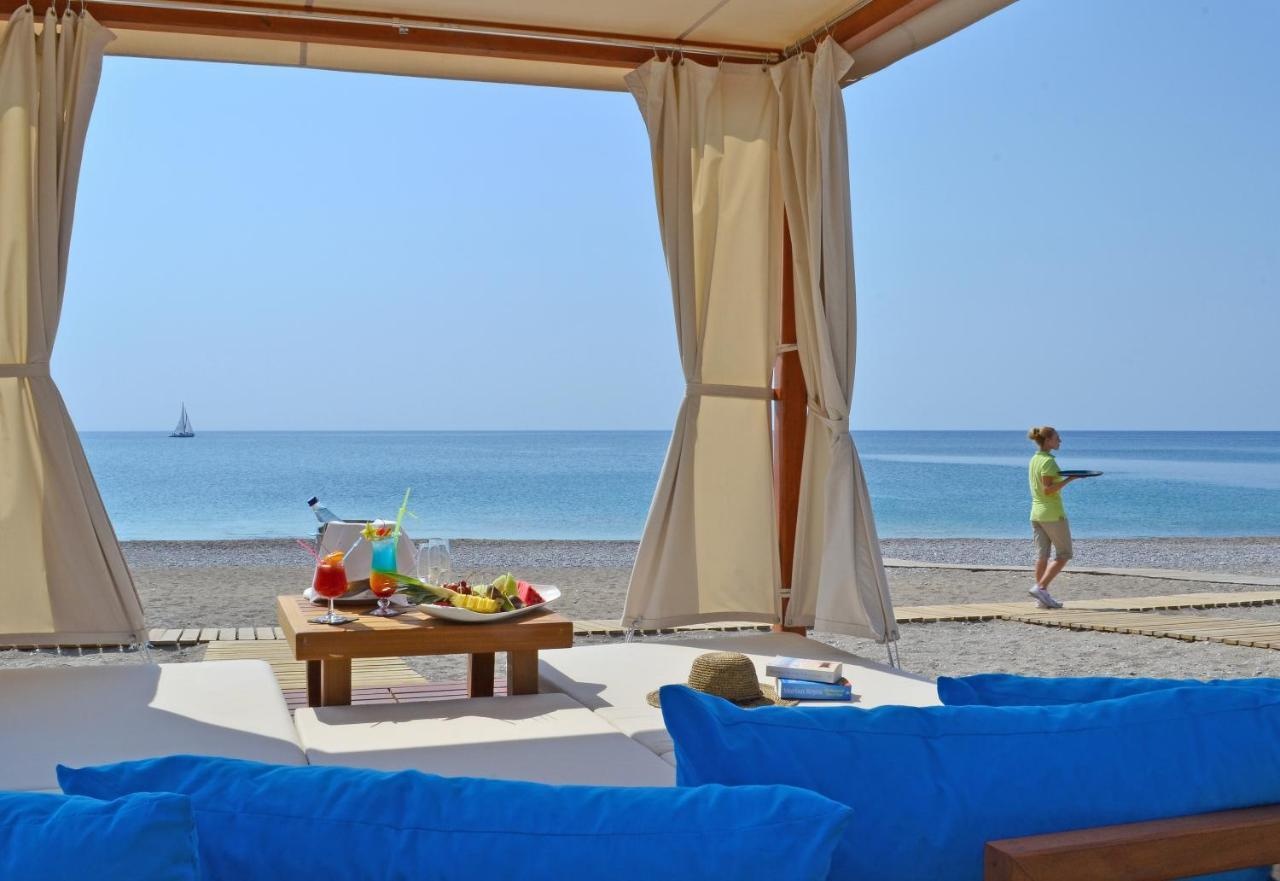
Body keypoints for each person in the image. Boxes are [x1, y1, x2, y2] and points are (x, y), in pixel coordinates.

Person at [1026, 426, 1079, 608]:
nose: (1060, 441)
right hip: (1052, 514)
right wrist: (1070, 479)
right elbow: (1048, 490)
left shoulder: (1034, 459)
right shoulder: (1048, 462)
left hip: (1036, 513)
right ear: (1048, 440)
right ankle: (1040, 588)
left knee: (1042, 556)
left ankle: (1041, 599)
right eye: (1057, 438)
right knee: (1064, 554)